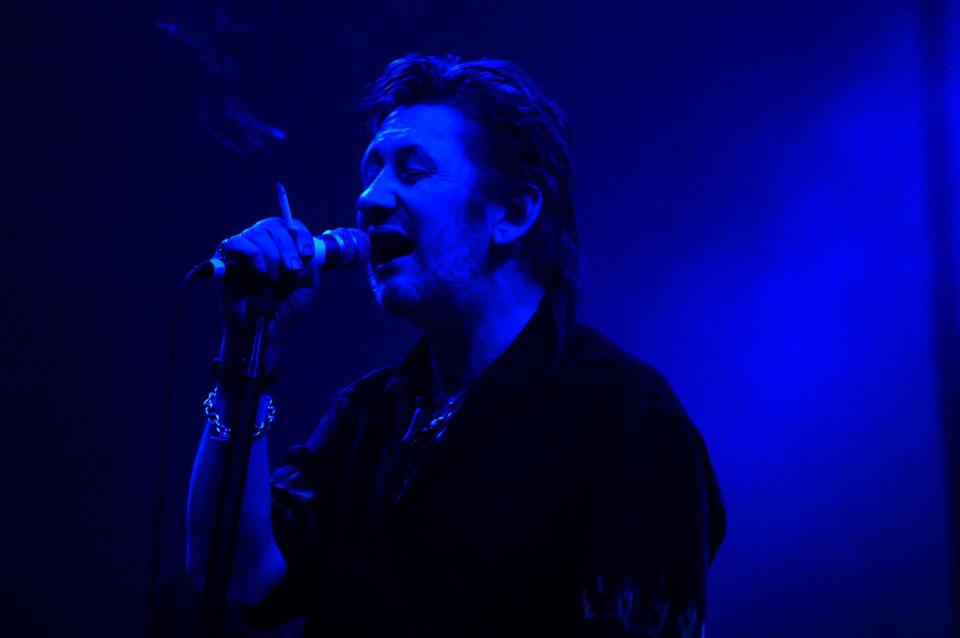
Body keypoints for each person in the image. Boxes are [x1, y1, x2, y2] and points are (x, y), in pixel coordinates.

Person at [186, 53, 726, 637]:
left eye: (412, 171)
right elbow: (241, 574)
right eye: (371, 170)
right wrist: (246, 359)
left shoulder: (624, 418)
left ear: (514, 214)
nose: (369, 198)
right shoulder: (368, 416)